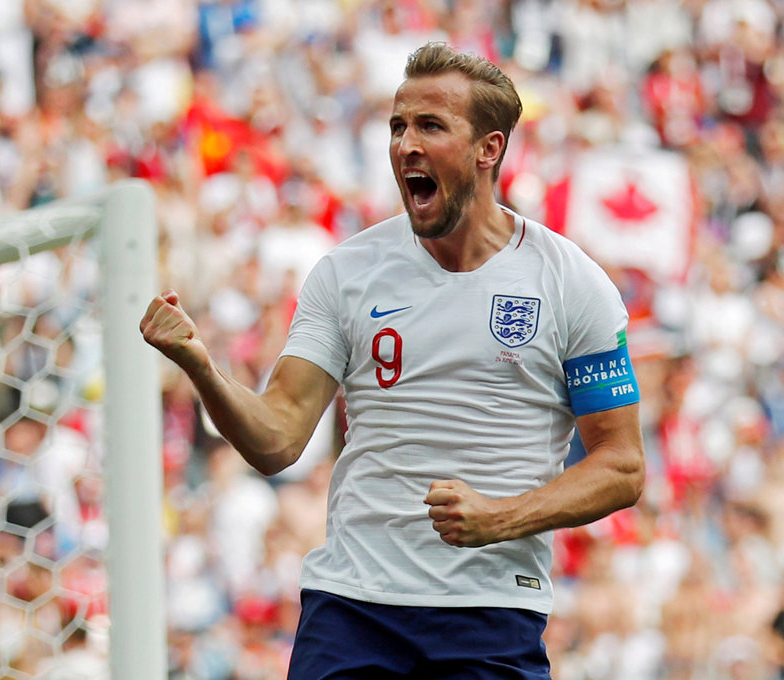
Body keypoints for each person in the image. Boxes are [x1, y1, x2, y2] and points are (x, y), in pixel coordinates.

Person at [140, 41, 645, 679]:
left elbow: (622, 466)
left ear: (489, 148)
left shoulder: (573, 284)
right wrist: (201, 367)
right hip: (354, 609)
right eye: (397, 125)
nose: (405, 143)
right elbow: (277, 439)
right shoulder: (347, 273)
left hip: (488, 613)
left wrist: (502, 517)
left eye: (430, 125)